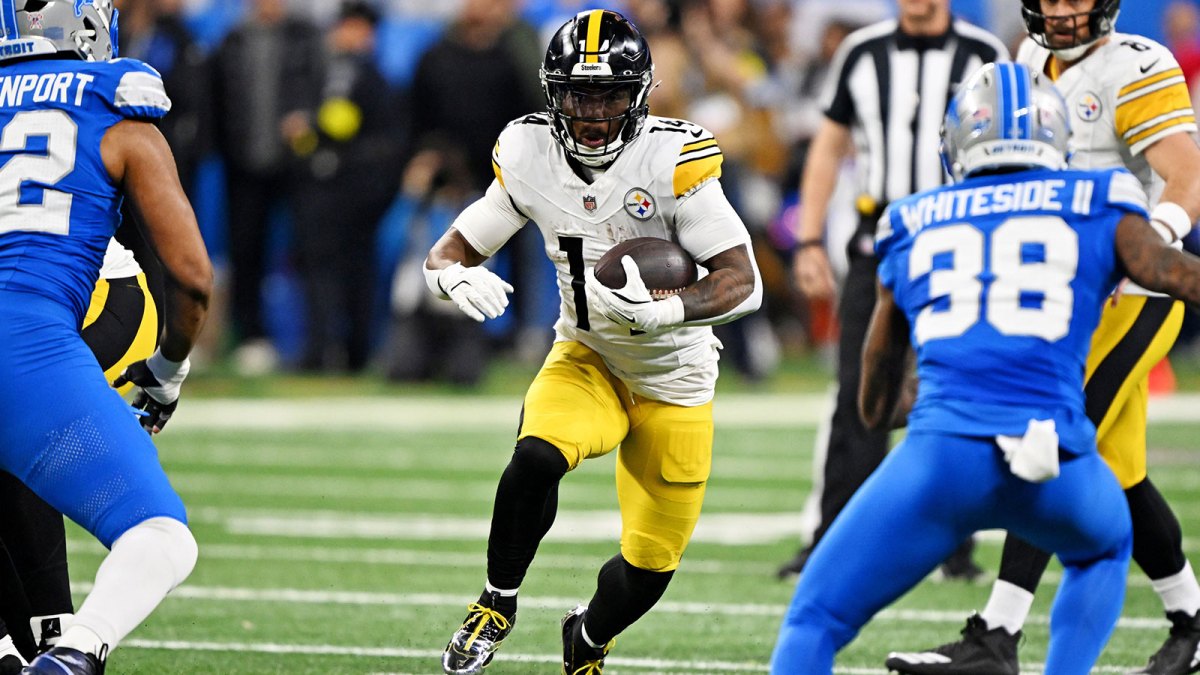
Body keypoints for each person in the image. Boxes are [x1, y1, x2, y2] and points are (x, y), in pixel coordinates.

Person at [772, 59, 1200, 675]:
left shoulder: (912, 220)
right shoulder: (1099, 200)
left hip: (941, 458)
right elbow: (1169, 273)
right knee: (1103, 548)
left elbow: (874, 399)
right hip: (1054, 459)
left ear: (957, 141)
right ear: (1056, 135)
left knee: (814, 620)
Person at [428, 10, 761, 675]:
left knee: (649, 566)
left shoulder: (671, 158)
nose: (594, 112)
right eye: (580, 94)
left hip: (677, 383)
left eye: (610, 94)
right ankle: (497, 600)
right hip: (589, 357)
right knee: (535, 458)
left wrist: (669, 310)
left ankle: (587, 635)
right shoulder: (529, 152)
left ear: (638, 95)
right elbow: (453, 248)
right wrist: (447, 279)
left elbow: (743, 282)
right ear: (555, 95)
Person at [885, 2, 1200, 673]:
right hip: (1069, 296)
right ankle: (1193, 620)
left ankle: (996, 635)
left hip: (1133, 293)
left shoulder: (1134, 66)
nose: (1062, 9)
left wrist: (1153, 241)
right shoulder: (1027, 63)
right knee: (1123, 471)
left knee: (1044, 440)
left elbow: (1188, 175)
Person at [0, 0, 213, 672]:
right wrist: (170, 368)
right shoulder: (114, 101)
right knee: (160, 537)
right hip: (26, 337)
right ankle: (73, 653)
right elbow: (192, 276)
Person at [778, 0, 1007, 581]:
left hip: (960, 243)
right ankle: (831, 541)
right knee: (857, 391)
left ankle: (954, 546)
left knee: (954, 391)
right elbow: (828, 147)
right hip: (877, 244)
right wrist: (807, 240)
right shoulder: (862, 51)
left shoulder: (985, 54)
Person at [0, 238, 159, 670]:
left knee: (15, 423)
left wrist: (171, 369)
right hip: (37, 301)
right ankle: (35, 642)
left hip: (97, 304)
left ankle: (47, 640)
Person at [290, 0, 405, 372]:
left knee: (326, 269)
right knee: (358, 272)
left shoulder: (347, 69)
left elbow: (338, 124)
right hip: (367, 188)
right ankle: (355, 353)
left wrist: (304, 133)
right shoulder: (377, 72)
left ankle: (323, 353)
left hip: (339, 186)